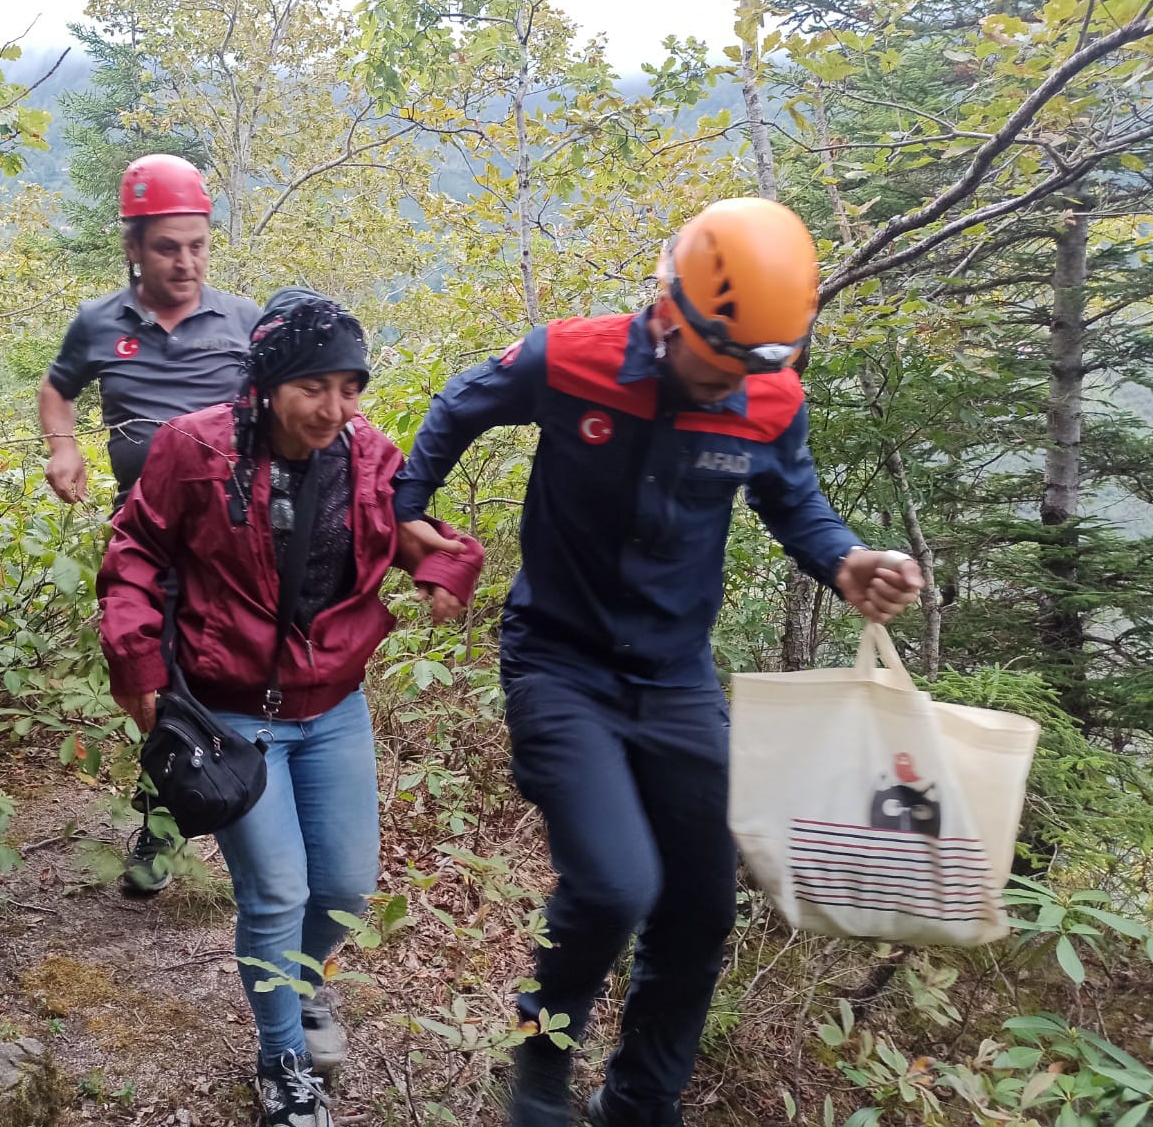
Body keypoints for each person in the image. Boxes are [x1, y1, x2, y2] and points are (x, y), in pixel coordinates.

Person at [389, 199, 925, 1127]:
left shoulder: (769, 394)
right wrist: (407, 506)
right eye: (723, 365)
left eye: (760, 367)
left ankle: (639, 1103)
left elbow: (794, 501)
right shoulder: (571, 358)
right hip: (559, 660)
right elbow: (457, 406)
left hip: (676, 678)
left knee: (701, 903)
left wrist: (846, 560)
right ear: (671, 313)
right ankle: (542, 1062)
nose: (735, 388)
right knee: (613, 882)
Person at [97, 290, 484, 1127]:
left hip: (333, 706)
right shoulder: (191, 450)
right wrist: (134, 658)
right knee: (276, 890)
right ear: (270, 381)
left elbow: (420, 528)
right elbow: (134, 550)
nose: (335, 407)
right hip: (231, 713)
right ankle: (282, 1062)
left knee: (342, 889)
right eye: (317, 386)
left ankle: (299, 988)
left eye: (350, 386)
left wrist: (443, 567)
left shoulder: (368, 454)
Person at [39, 153, 261, 896]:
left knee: (230, 678)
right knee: (155, 683)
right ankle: (168, 821)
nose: (186, 261)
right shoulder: (100, 324)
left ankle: (214, 814)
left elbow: (284, 411)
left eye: (198, 244)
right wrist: (63, 447)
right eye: (168, 246)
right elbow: (58, 388)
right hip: (145, 542)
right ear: (133, 246)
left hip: (235, 543)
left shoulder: (243, 322)